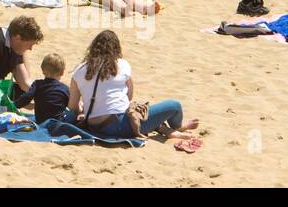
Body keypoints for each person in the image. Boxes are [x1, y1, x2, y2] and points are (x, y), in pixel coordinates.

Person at [67, 31, 200, 141]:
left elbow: (72, 107)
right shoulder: (121, 64)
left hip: (93, 125)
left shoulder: (79, 70)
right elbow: (128, 97)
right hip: (120, 125)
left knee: (144, 113)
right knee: (174, 105)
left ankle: (167, 130)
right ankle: (178, 127)